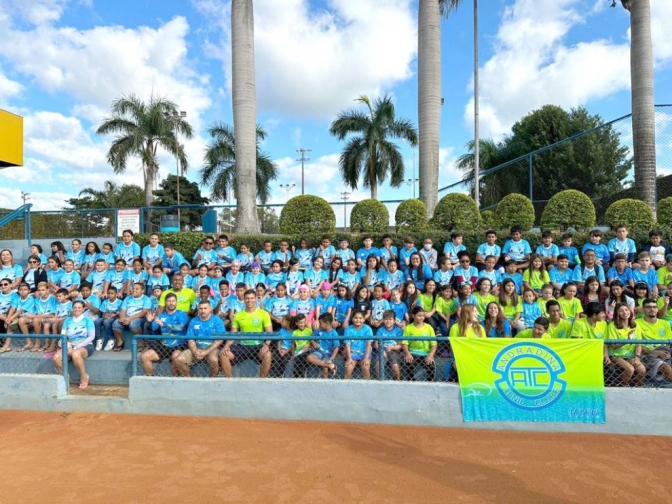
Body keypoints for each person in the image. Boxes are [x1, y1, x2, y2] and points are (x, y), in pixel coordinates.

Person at [220, 289, 273, 378]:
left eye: (252, 298)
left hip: (258, 345)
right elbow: (233, 334)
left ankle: (262, 380)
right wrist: (226, 346)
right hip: (242, 346)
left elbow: (269, 333)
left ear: (256, 299)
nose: (249, 300)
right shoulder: (238, 315)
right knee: (223, 354)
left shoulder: (263, 314)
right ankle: (229, 381)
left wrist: (266, 345)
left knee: (268, 354)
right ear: (244, 299)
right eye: (247, 298)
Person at [142, 293, 190, 376]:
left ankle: (176, 381)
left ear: (176, 302)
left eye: (173, 301)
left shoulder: (182, 314)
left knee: (176, 356)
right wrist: (150, 321)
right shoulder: (161, 316)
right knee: (145, 356)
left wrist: (164, 325)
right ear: (165, 302)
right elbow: (153, 328)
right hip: (164, 345)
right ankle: (150, 380)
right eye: (169, 301)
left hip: (179, 345)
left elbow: (179, 328)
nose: (171, 303)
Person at [174, 300, 225, 377]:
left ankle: (213, 380)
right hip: (197, 348)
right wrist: (195, 352)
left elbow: (219, 340)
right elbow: (190, 339)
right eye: (201, 308)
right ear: (198, 309)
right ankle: (189, 379)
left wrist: (206, 352)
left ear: (210, 309)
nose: (203, 311)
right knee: (179, 359)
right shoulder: (193, 321)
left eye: (205, 308)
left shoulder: (217, 321)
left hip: (212, 349)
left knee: (213, 360)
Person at [54, 300, 95, 389]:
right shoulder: (67, 320)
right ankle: (65, 377)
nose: (77, 309)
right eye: (75, 307)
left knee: (75, 354)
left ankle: (84, 376)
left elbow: (91, 337)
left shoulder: (88, 320)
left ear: (83, 309)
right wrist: (67, 346)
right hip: (70, 345)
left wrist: (76, 347)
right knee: (56, 358)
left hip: (85, 345)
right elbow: (63, 335)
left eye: (79, 307)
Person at [607, 302, 645, 387]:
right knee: (630, 369)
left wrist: (637, 357)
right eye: (621, 311)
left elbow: (639, 344)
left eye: (626, 310)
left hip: (631, 355)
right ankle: (623, 388)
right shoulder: (612, 325)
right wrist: (627, 340)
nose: (625, 313)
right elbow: (614, 346)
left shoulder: (636, 324)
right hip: (616, 355)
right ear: (617, 313)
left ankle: (637, 389)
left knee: (642, 370)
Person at [635, 298, 672, 382]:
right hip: (648, 354)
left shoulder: (665, 323)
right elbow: (637, 345)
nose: (652, 309)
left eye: (654, 307)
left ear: (657, 309)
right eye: (648, 307)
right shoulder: (636, 323)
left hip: (664, 351)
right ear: (643, 309)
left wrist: (666, 353)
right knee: (666, 368)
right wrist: (655, 352)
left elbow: (669, 342)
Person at [111, 282, 151, 351]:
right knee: (116, 323)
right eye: (133, 288)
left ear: (143, 291)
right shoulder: (128, 298)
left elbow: (143, 312)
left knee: (133, 324)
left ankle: (142, 343)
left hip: (140, 318)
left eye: (137, 289)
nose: (134, 290)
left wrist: (129, 318)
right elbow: (123, 310)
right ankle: (120, 341)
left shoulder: (146, 299)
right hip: (127, 317)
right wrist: (123, 318)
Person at [402, 306, 437, 381]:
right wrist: (407, 354)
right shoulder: (408, 328)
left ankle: (429, 383)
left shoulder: (429, 328)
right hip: (412, 353)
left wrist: (430, 355)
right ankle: (411, 382)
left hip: (425, 354)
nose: (421, 318)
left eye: (423, 316)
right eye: (419, 316)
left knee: (430, 367)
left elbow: (434, 344)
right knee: (409, 364)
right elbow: (404, 343)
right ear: (413, 315)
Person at [343, 310, 372, 379]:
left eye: (360, 318)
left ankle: (368, 385)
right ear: (352, 319)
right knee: (348, 368)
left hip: (364, 353)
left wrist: (366, 358)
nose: (358, 320)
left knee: (365, 367)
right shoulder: (348, 329)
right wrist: (349, 358)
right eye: (356, 318)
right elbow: (347, 345)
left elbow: (369, 344)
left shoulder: (367, 329)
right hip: (352, 353)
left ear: (364, 319)